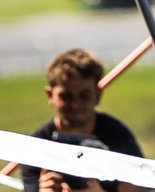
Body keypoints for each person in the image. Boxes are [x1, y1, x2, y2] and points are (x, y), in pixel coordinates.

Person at [22, 47, 144, 192]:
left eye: (84, 95)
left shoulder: (118, 136)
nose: (75, 105)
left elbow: (139, 188)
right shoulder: (35, 147)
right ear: (50, 95)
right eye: (66, 96)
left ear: (98, 95)